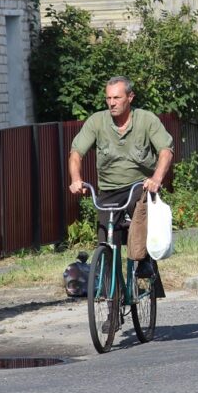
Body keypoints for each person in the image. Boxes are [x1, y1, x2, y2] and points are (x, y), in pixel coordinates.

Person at [68, 76, 174, 264]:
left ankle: (143, 265)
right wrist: (76, 179)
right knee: (106, 240)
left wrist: (156, 179)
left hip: (139, 186)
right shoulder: (97, 122)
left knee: (140, 221)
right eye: (108, 98)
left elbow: (166, 151)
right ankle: (110, 290)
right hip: (109, 190)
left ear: (130, 97)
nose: (112, 103)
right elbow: (76, 153)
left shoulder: (146, 119)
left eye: (117, 98)